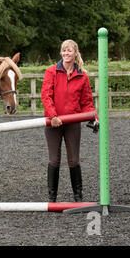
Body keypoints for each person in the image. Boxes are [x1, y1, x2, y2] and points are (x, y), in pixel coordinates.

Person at [41, 39, 98, 202]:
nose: (66, 53)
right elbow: (46, 96)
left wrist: (94, 118)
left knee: (74, 159)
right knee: (54, 159)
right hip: (53, 123)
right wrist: (53, 116)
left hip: (73, 123)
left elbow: (87, 102)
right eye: (63, 50)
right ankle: (52, 198)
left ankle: (78, 196)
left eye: (69, 51)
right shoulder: (51, 71)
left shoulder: (82, 76)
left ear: (75, 53)